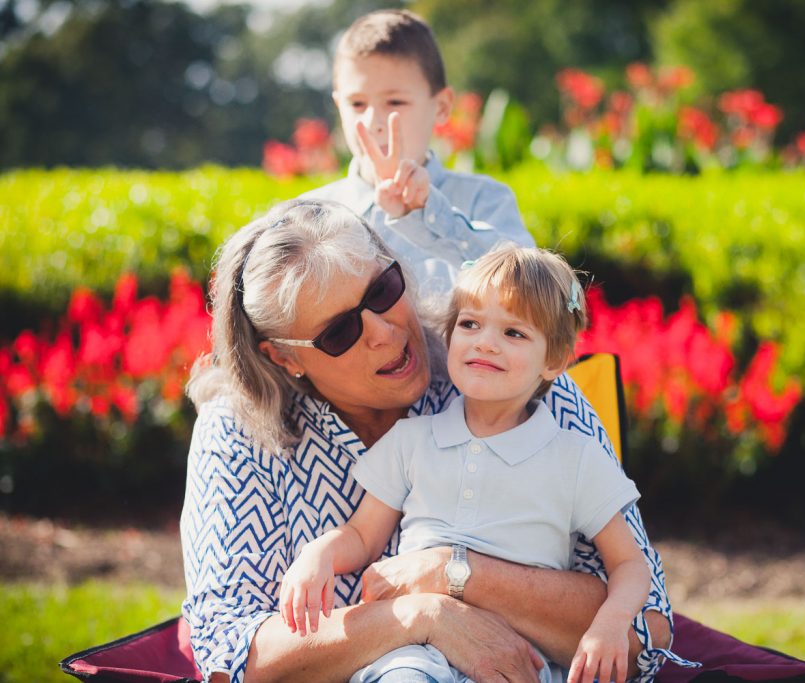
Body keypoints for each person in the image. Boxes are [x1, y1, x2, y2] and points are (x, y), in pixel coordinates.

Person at [180, 199, 681, 683]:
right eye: (340, 331)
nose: (384, 331)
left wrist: (454, 571)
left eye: (382, 290)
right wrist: (422, 616)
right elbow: (228, 651)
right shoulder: (237, 432)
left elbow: (649, 630)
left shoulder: (518, 381)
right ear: (284, 358)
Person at [302, 9, 534, 300]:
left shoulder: (485, 201)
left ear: (442, 106)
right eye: (357, 103)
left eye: (395, 101)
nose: (374, 121)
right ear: (339, 106)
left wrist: (430, 214)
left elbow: (531, 291)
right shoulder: (306, 219)